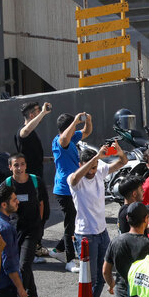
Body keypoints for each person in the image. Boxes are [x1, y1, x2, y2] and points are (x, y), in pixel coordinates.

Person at [69, 144, 127, 297]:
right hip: (85, 235)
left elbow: (122, 162)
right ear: (81, 164)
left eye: (95, 167)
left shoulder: (99, 170)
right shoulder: (75, 179)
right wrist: (96, 158)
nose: (93, 171)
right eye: (90, 167)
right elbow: (74, 179)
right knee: (89, 279)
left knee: (103, 275)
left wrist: (118, 150)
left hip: (102, 233)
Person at [52, 112, 92, 271]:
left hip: (74, 187)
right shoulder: (59, 141)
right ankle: (69, 260)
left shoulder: (71, 138)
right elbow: (64, 139)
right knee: (71, 225)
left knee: (74, 222)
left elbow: (86, 132)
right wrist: (75, 121)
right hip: (64, 189)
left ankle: (59, 249)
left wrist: (88, 120)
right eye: (73, 125)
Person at [6, 154, 44, 297]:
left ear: (26, 165)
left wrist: (39, 225)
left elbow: (42, 203)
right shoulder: (8, 184)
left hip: (32, 230)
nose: (19, 168)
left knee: (23, 266)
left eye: (22, 164)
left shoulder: (35, 181)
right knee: (24, 264)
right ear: (10, 167)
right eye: (16, 165)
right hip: (15, 230)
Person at [15, 101, 52, 247]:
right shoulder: (23, 131)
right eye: (38, 111)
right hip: (30, 182)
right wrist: (43, 112)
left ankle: (36, 244)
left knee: (44, 212)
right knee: (35, 214)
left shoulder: (32, 132)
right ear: (32, 114)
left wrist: (50, 159)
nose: (41, 113)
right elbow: (24, 132)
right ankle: (33, 246)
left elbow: (32, 156)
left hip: (37, 177)